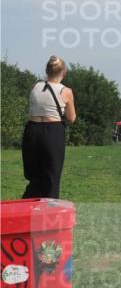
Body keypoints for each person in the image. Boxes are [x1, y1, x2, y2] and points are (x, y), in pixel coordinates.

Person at [22, 56, 77, 199]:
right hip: (52, 132)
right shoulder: (65, 91)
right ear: (63, 73)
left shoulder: (35, 86)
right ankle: (49, 213)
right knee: (52, 177)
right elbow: (71, 118)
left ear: (47, 71)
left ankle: (27, 210)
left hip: (32, 131)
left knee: (34, 177)